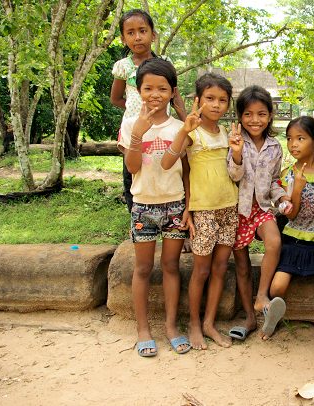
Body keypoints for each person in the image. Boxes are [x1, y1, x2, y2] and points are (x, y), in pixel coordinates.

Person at [117, 58, 191, 357]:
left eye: (162, 88)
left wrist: (190, 205)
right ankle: (143, 329)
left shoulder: (179, 128)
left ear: (173, 92)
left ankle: (172, 326)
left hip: (174, 204)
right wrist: (138, 133)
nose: (155, 94)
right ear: (138, 90)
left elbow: (186, 170)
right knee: (144, 268)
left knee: (171, 266)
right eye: (148, 88)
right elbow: (132, 167)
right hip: (143, 207)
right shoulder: (129, 125)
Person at [161, 73, 237, 349]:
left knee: (219, 268)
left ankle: (209, 323)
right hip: (203, 210)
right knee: (201, 270)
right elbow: (173, 165)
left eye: (222, 100)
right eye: (210, 98)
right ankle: (194, 324)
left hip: (229, 207)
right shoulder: (192, 132)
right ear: (198, 100)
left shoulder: (227, 133)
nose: (216, 105)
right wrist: (189, 209)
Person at [226, 85, 293, 341]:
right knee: (242, 266)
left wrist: (282, 197)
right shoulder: (233, 141)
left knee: (274, 242)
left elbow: (275, 180)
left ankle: (262, 296)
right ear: (240, 116)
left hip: (263, 207)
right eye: (249, 114)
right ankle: (250, 318)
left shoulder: (275, 146)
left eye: (262, 114)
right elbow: (233, 175)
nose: (255, 120)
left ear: (270, 115)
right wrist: (237, 153)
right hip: (238, 208)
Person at [110, 9, 186, 213]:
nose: (137, 37)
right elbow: (116, 98)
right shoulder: (123, 67)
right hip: (134, 131)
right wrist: (137, 116)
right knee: (132, 172)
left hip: (163, 129)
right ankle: (136, 218)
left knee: (166, 168)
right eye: (131, 32)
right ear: (123, 39)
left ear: (153, 35)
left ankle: (170, 214)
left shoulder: (164, 63)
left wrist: (185, 120)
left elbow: (175, 96)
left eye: (142, 31)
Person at [265, 116, 314, 324]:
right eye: (289, 139)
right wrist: (298, 188)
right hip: (294, 241)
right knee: (277, 288)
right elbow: (291, 214)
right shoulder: (287, 175)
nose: (293, 144)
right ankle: (272, 318)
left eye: (300, 138)